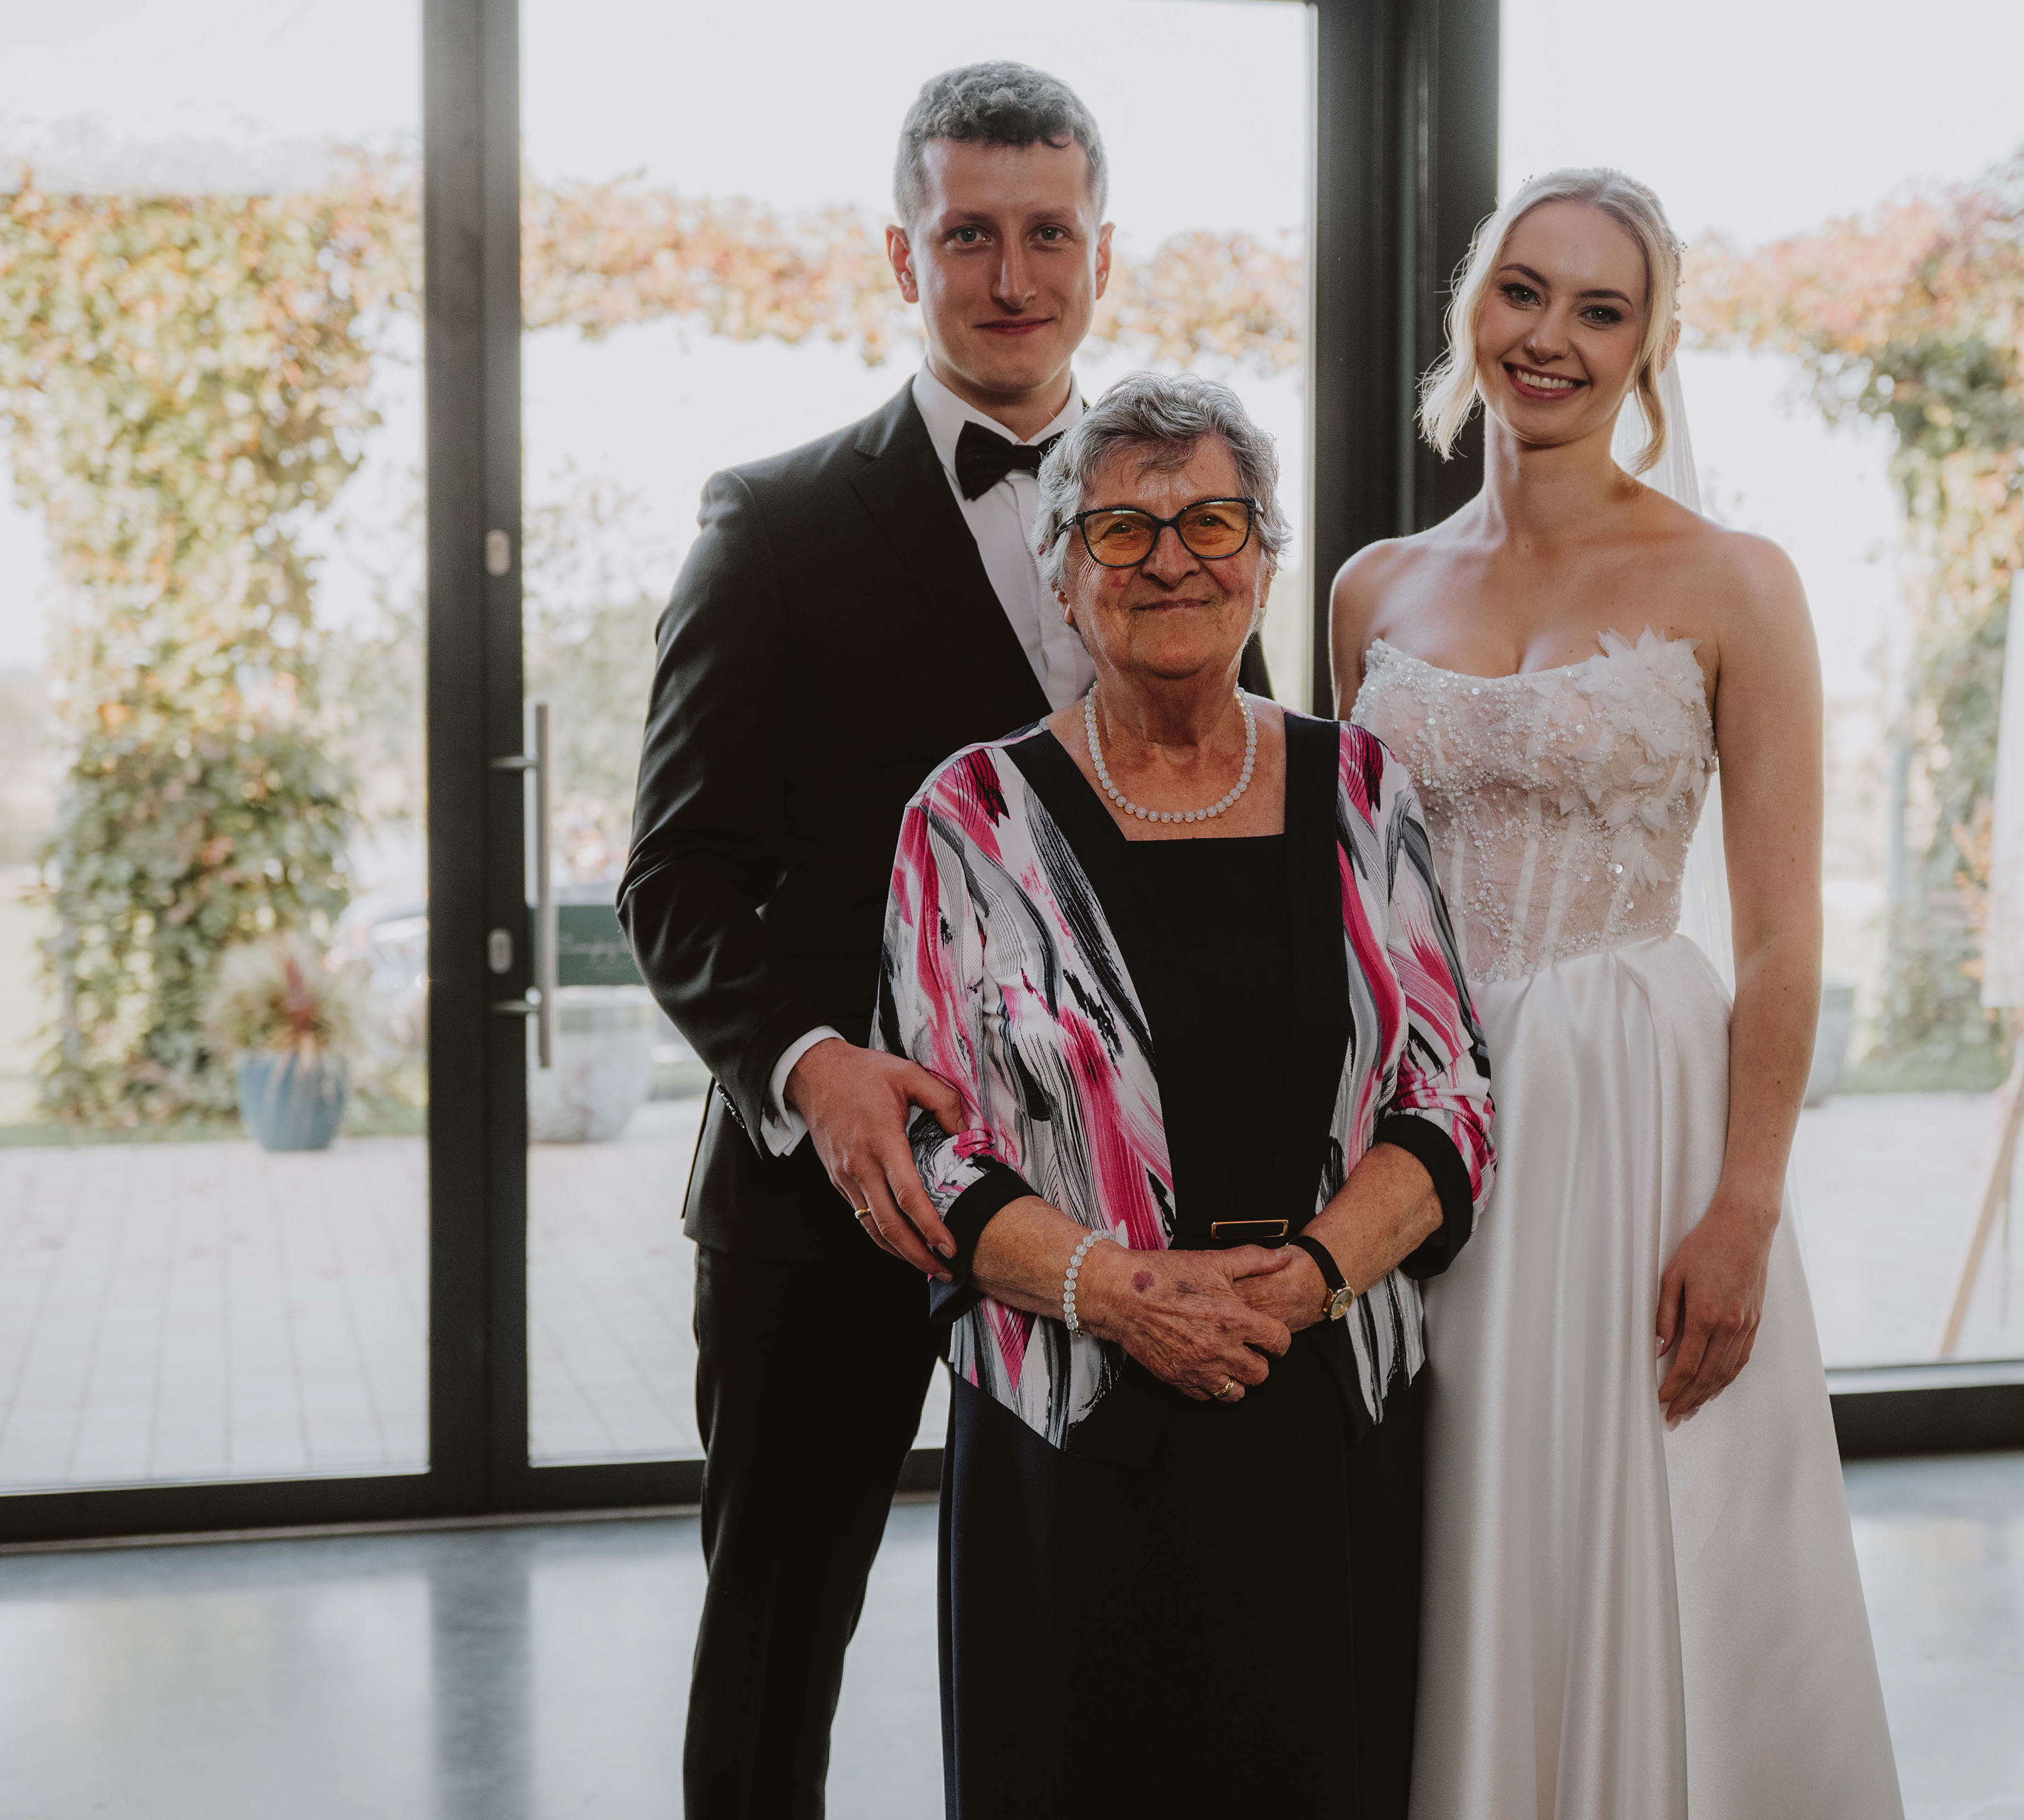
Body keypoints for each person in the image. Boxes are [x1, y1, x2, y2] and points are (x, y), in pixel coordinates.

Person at [618, 63, 1268, 1816]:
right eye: (968, 234)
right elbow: (672, 875)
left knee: (1105, 1625)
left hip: (1111, 1198)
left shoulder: (1188, 514)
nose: (1012, 275)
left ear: (1103, 256)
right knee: (777, 1639)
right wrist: (812, 1070)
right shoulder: (772, 524)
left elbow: (1243, 814)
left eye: (1049, 234)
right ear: (902, 256)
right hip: (838, 1195)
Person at [1334, 169, 1905, 1818]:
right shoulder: (1372, 588)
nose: (1551, 337)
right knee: (1454, 1502)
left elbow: (1782, 934)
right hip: (1423, 1110)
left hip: (1636, 1116)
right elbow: (1344, 894)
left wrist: (1747, 1206)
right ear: (1473, 306)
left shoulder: (1737, 582)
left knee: (1641, 1510)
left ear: (1651, 346)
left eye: (1602, 309)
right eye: (1524, 291)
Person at [874, 370, 1494, 1820]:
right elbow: (929, 1147)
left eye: (1213, 520)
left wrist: (1314, 1275)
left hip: (1322, 1404)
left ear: (1265, 556)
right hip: (1075, 1420)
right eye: (1122, 529)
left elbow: (1453, 1091)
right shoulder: (967, 816)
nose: (1172, 560)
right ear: (1063, 574)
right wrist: (1124, 1294)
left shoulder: (1362, 787)